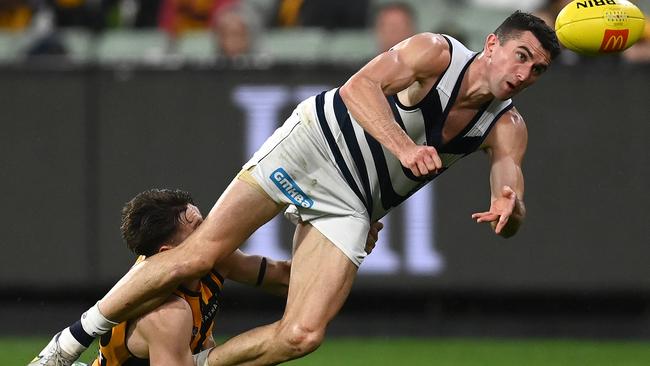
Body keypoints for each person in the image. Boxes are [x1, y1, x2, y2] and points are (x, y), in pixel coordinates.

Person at [31, 10, 560, 366]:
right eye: (521, 56)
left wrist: (509, 211)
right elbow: (359, 87)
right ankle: (69, 343)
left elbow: (508, 183)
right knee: (201, 254)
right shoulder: (436, 52)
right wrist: (403, 149)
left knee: (303, 334)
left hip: (351, 201)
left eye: (537, 70)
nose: (525, 74)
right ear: (492, 43)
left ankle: (200, 363)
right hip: (313, 147)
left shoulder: (506, 126)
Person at [30, 189, 382, 365]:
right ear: (168, 253)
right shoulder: (164, 315)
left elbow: (289, 279)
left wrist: (345, 246)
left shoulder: (216, 259)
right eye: (197, 227)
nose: (213, 230)